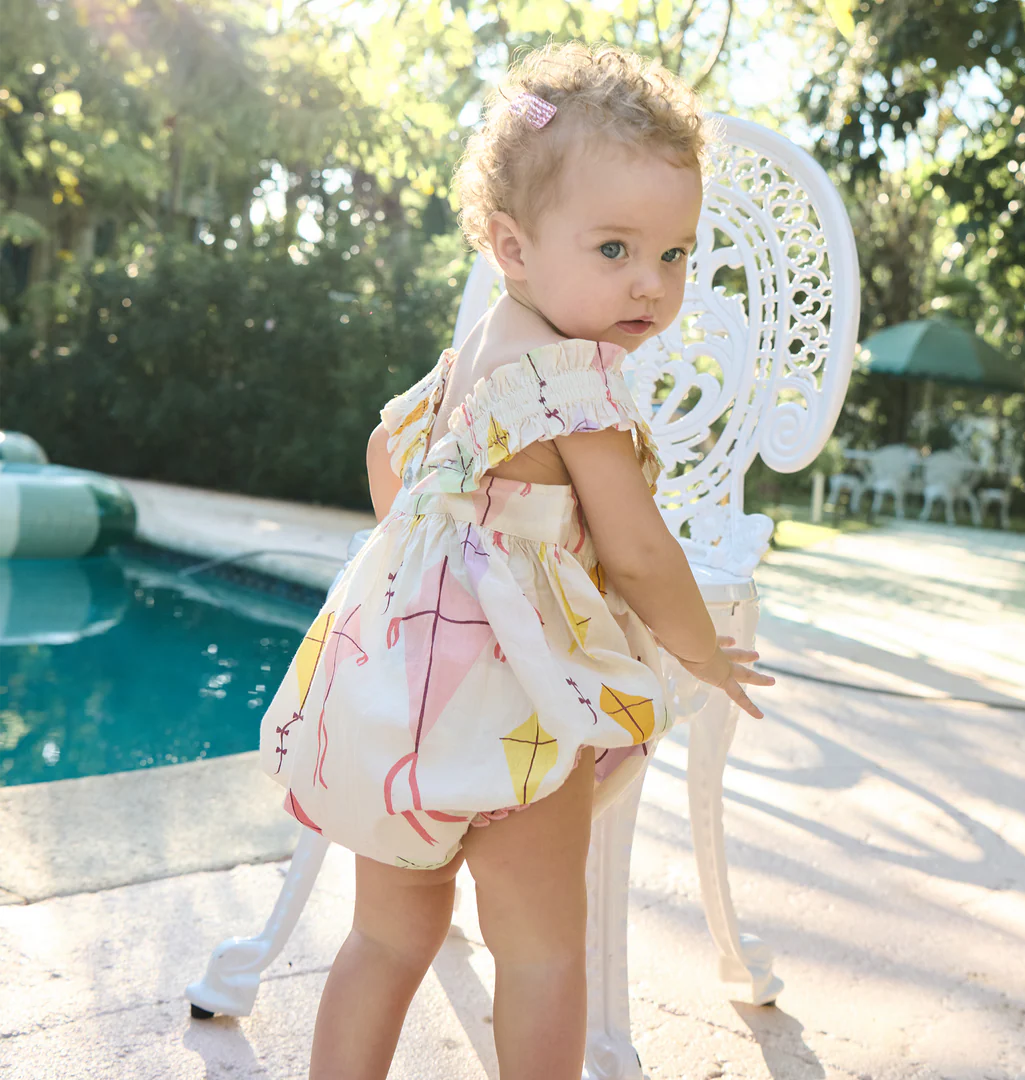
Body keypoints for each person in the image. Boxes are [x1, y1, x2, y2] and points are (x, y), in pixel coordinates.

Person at [258, 40, 775, 1080]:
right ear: (513, 243)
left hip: (399, 701)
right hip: (517, 707)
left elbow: (385, 455)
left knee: (387, 937)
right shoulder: (574, 383)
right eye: (617, 249)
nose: (651, 284)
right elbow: (634, 549)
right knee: (541, 954)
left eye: (674, 254)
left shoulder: (475, 356)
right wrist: (702, 652)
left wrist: (441, 556)